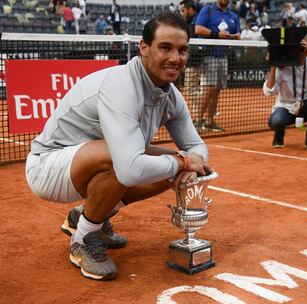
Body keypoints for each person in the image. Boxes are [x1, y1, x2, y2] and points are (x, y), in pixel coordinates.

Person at [25, 13, 213, 281]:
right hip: (48, 168)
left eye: (182, 50)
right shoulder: (121, 85)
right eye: (165, 48)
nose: (175, 58)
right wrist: (184, 162)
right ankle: (84, 239)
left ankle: (85, 218)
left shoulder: (170, 94)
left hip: (88, 161)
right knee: (130, 160)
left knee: (168, 162)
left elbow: (195, 145)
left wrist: (190, 163)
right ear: (144, 48)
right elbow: (129, 169)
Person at [195, 0, 240, 132]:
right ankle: (198, 120)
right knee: (208, 89)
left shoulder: (233, 16)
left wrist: (234, 37)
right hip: (209, 55)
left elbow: (238, 36)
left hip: (223, 56)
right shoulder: (208, 10)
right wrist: (216, 34)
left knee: (217, 90)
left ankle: (209, 121)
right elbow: (198, 29)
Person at [179, 0, 203, 132]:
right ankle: (199, 115)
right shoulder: (189, 22)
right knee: (194, 89)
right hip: (192, 60)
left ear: (190, 10)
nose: (182, 13)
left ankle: (198, 116)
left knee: (190, 89)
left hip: (194, 61)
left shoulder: (194, 22)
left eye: (183, 10)